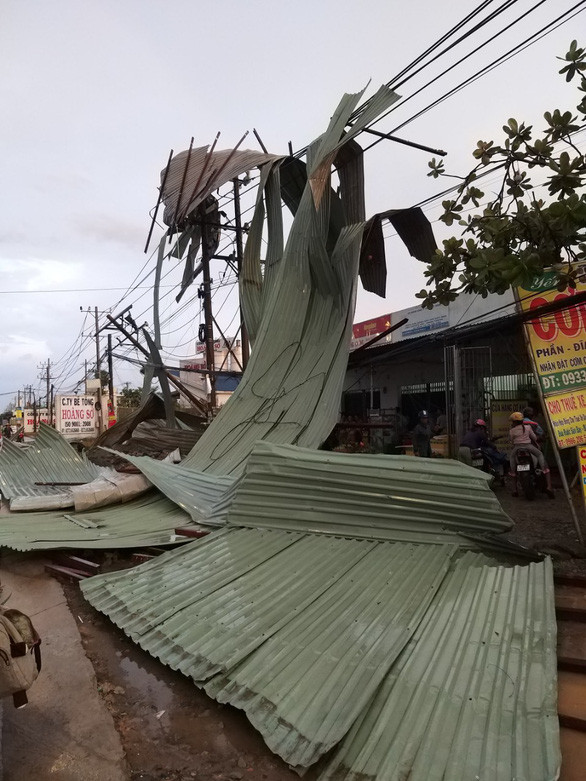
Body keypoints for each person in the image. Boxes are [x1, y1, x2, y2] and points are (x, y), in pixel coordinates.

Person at [509, 411, 554, 498]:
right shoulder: (528, 427)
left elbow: (511, 442)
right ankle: (545, 475)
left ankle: (514, 488)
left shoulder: (511, 430)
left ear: (513, 422)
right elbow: (535, 438)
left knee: (512, 459)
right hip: (529, 447)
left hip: (517, 449)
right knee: (540, 455)